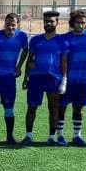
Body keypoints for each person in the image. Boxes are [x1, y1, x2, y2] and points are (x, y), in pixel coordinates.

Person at [22, 11, 69, 146]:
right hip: (35, 78)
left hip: (54, 79)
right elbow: (30, 60)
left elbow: (64, 62)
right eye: (46, 21)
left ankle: (52, 137)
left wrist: (64, 80)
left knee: (53, 108)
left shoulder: (62, 41)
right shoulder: (35, 40)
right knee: (32, 107)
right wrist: (25, 78)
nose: (48, 23)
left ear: (57, 23)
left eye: (51, 21)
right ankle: (28, 136)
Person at [0, 13, 29, 145]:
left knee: (9, 107)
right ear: (4, 24)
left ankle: (9, 136)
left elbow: (25, 50)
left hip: (9, 78)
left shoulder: (22, 36)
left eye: (13, 25)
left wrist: (19, 67)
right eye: (8, 24)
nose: (10, 27)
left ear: (17, 25)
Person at [58, 10, 86, 146]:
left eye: (83, 22)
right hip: (66, 80)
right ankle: (60, 135)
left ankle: (77, 136)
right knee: (61, 107)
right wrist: (63, 79)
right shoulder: (64, 38)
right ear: (72, 23)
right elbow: (61, 59)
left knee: (79, 108)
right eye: (77, 22)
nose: (80, 25)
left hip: (82, 81)